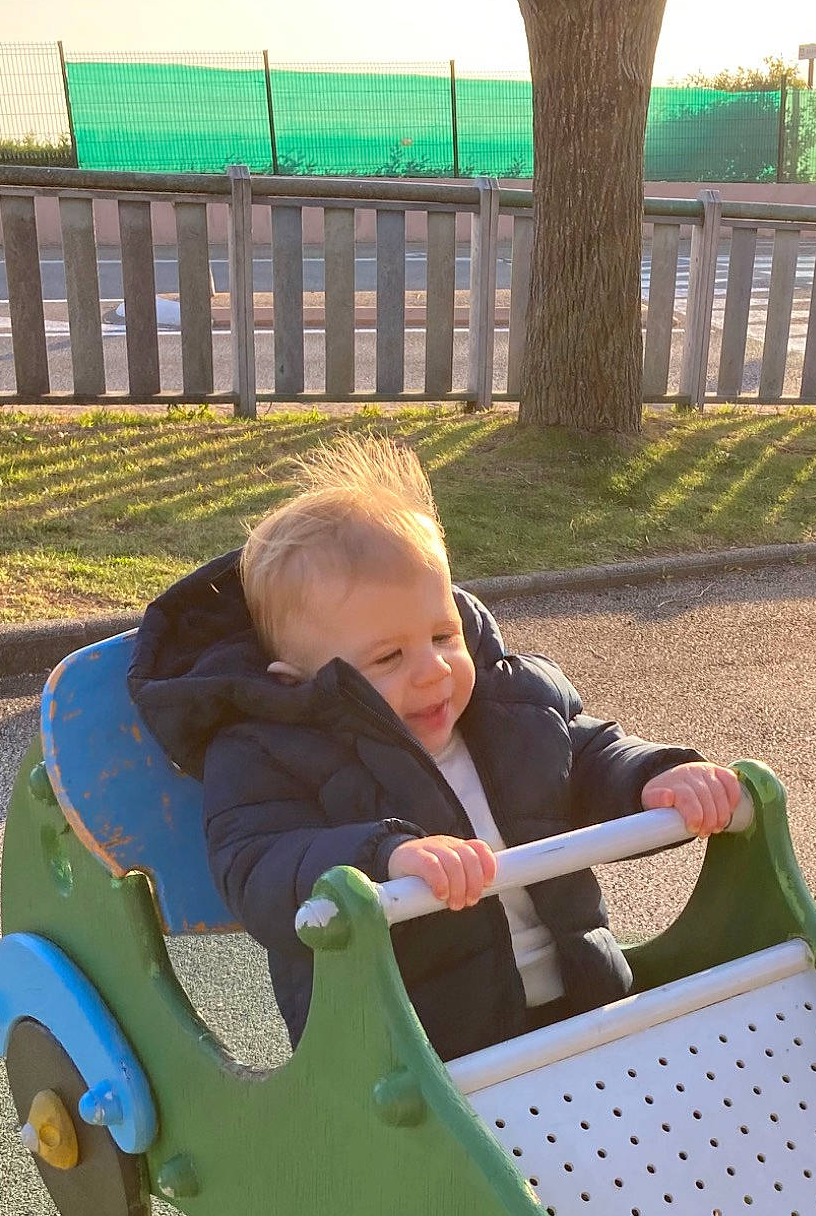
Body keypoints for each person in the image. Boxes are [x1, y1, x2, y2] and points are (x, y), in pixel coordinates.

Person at [128, 436, 741, 1062]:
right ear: (298, 682)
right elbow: (259, 868)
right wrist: (382, 856)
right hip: (417, 1053)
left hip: (584, 1006)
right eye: (389, 657)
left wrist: (652, 774)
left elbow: (585, 752)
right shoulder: (269, 754)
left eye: (444, 635)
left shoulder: (511, 704)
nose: (434, 671)